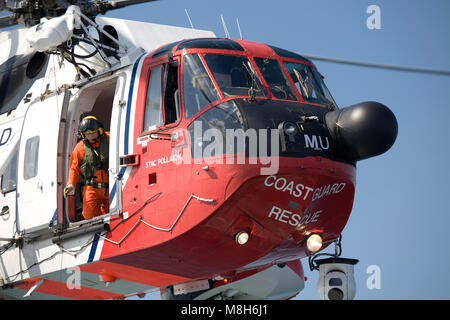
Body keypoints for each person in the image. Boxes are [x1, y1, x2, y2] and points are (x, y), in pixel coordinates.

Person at [63, 116, 110, 220]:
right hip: (91, 188)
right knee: (89, 216)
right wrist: (71, 184)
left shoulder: (109, 138)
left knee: (115, 212)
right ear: (83, 135)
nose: (91, 135)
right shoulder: (79, 149)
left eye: (93, 132)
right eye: (87, 134)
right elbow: (74, 168)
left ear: (99, 130)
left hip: (110, 186)